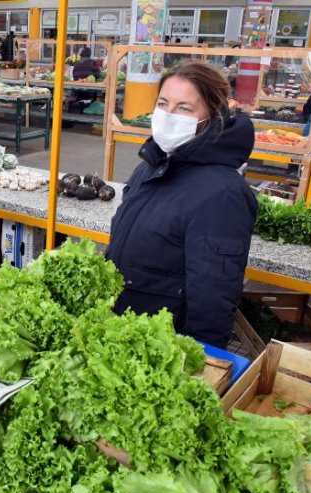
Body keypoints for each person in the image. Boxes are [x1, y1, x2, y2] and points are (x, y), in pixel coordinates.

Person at [105, 61, 257, 348]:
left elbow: (213, 297)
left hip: (165, 343)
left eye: (184, 108)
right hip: (125, 329)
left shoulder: (222, 194)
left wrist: (200, 359)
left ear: (212, 115)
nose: (168, 115)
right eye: (163, 103)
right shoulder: (151, 166)